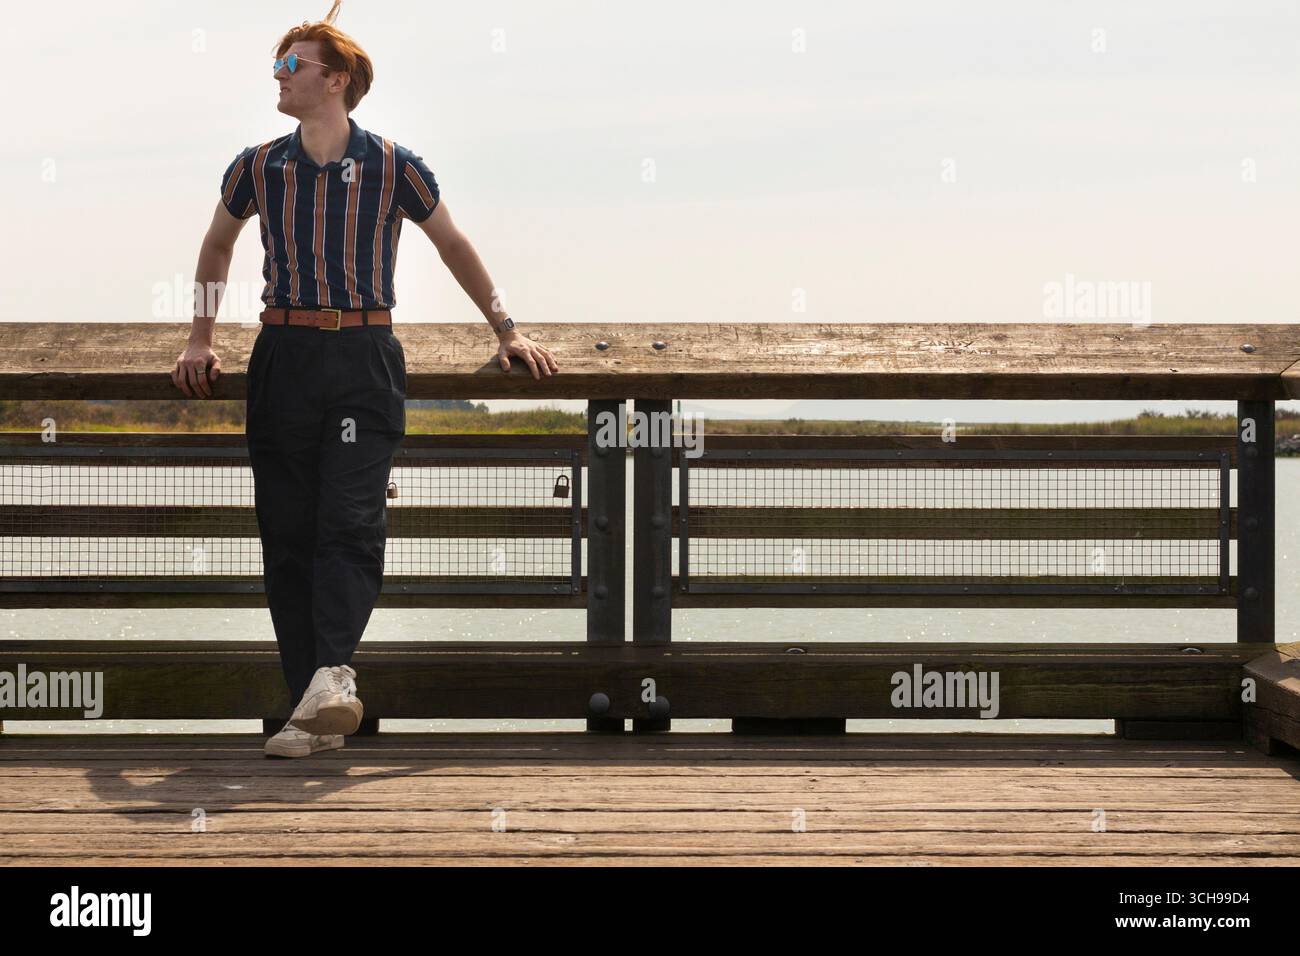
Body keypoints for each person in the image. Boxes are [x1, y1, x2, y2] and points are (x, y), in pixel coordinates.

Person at [171, 1, 558, 758]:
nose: (278, 76)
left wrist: (507, 328)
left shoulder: (393, 165)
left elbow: (453, 244)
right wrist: (200, 336)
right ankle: (309, 711)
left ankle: (331, 682)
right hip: (281, 358)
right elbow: (217, 246)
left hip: (362, 356)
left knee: (348, 522)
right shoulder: (257, 165)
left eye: (294, 64)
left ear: (337, 80)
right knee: (286, 535)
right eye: (277, 64)